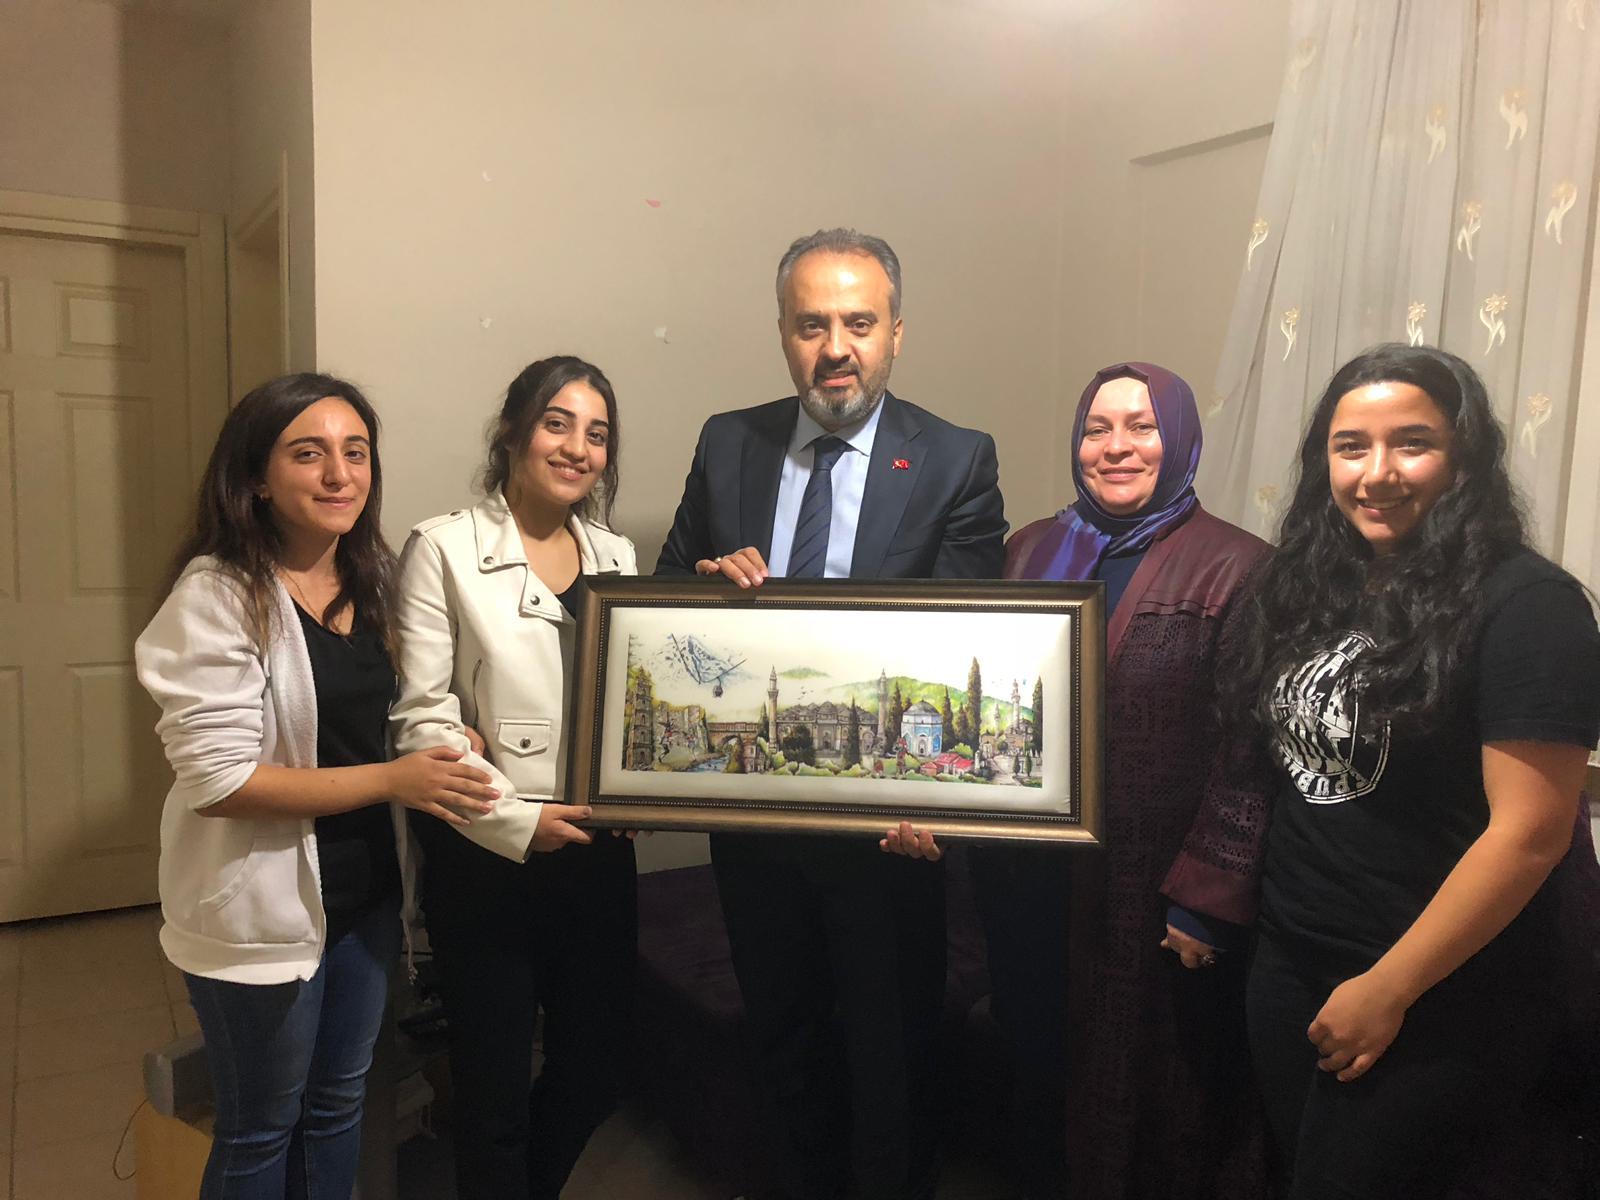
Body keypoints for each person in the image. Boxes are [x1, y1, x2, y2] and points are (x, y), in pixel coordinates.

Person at [656, 227, 1006, 1200]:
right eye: (812, 325)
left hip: (886, 835)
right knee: (784, 1038)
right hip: (756, 829)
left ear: (897, 333)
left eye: (859, 322)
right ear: (782, 332)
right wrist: (704, 587)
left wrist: (942, 803)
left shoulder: (954, 459)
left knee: (893, 1056)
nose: (835, 348)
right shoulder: (728, 442)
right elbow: (664, 601)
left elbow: (962, 650)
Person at [884, 362, 1277, 1199]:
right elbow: (977, 699)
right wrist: (933, 809)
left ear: (1180, 439)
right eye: (1098, 429)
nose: (1116, 447)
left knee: (1146, 1073)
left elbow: (1249, 752)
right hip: (1027, 879)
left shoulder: (1239, 567)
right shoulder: (1029, 549)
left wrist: (1206, 896)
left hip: (1150, 885)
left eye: (1141, 426)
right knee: (1038, 1058)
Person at [1221, 344, 1600, 1199]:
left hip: (1439, 989)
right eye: (1351, 446)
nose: (1377, 473)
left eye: (1413, 443)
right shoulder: (1311, 586)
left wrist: (1389, 987)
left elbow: (1530, 835)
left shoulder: (1528, 605)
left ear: (1464, 456)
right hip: (1292, 963)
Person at [136, 373, 499, 1200]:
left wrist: (445, 742)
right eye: (309, 453)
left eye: (356, 452)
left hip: (363, 900)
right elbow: (220, 781)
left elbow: (383, 716)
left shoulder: (374, 581)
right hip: (260, 909)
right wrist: (397, 779)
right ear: (258, 477)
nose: (340, 474)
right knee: (261, 1126)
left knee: (338, 1106)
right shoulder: (218, 596)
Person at [390, 356, 638, 1200]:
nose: (576, 448)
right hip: (487, 856)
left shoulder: (617, 555)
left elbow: (630, 705)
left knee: (597, 1069)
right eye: (556, 424)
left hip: (596, 853)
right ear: (512, 433)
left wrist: (642, 785)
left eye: (596, 434)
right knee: (492, 1088)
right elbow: (422, 721)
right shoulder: (443, 548)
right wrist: (518, 821)